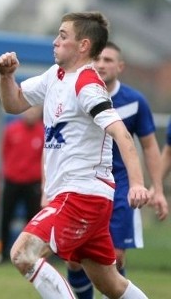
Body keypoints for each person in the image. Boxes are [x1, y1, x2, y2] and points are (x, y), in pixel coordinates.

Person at [0, 11, 150, 299]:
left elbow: (122, 134)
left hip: (82, 196)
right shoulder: (56, 76)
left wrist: (139, 184)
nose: (55, 41)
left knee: (22, 254)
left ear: (83, 45)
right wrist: (6, 76)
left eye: (63, 36)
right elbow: (14, 103)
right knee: (111, 284)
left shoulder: (87, 85)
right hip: (78, 196)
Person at [66, 41, 168, 298]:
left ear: (120, 66)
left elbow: (149, 146)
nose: (101, 65)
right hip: (83, 184)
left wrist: (156, 187)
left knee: (115, 258)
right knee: (74, 259)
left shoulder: (134, 101)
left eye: (109, 60)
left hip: (120, 187)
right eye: (98, 59)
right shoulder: (77, 95)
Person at [0, 105, 44, 261]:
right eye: (29, 110)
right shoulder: (11, 129)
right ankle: (2, 253)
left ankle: (29, 255)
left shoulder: (43, 132)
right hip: (12, 181)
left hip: (33, 183)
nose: (31, 113)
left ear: (40, 112)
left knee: (33, 220)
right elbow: (4, 152)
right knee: (6, 216)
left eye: (35, 110)